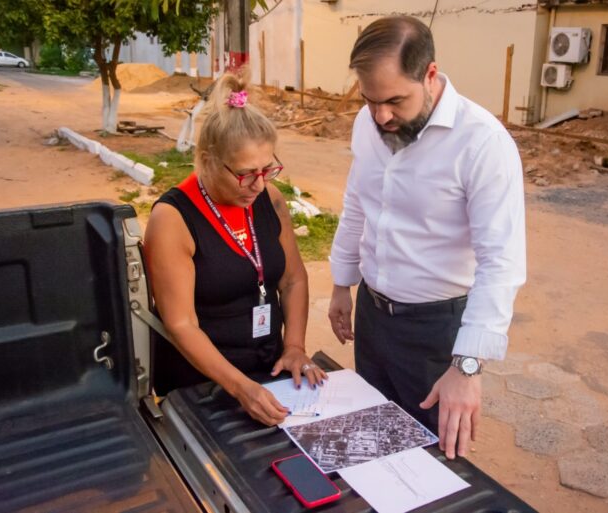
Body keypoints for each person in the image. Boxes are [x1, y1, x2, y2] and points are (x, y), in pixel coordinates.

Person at [328, 16, 526, 459]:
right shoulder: (368, 123)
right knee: (372, 445)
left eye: (395, 100)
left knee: (429, 465)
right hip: (374, 321)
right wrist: (343, 284)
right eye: (370, 100)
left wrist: (467, 366)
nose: (381, 116)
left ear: (430, 74)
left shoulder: (482, 144)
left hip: (437, 334)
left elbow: (502, 263)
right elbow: (357, 204)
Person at [145, 69, 326, 426]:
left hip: (267, 369)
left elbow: (292, 280)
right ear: (209, 160)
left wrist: (294, 347)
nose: (258, 185)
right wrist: (239, 387)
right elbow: (181, 324)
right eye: (245, 173)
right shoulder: (172, 218)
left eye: (267, 169)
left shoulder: (269, 198)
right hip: (202, 382)